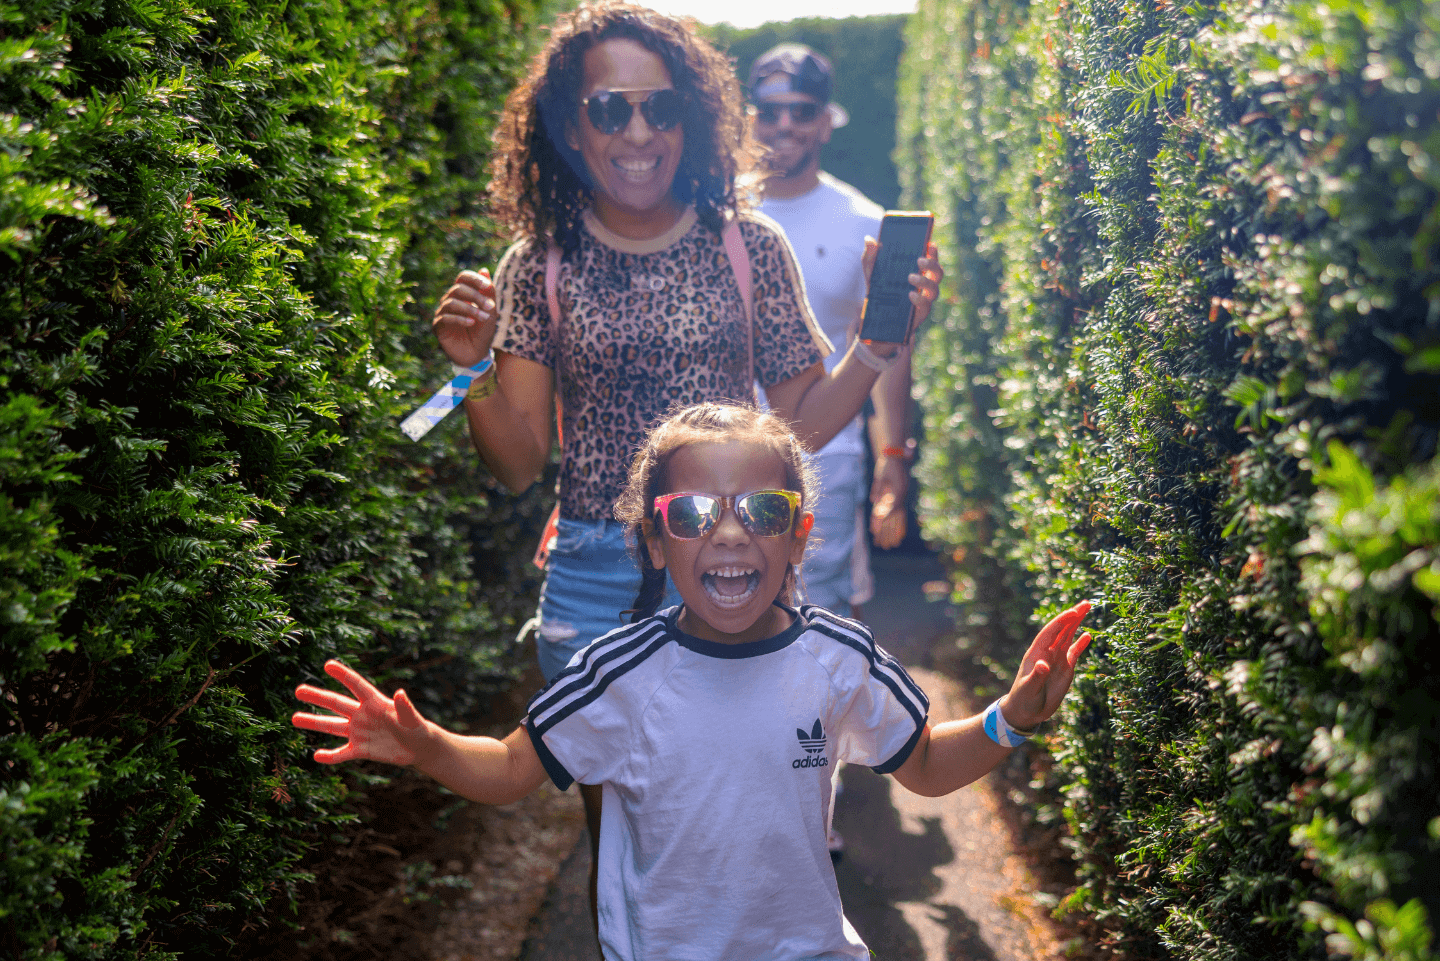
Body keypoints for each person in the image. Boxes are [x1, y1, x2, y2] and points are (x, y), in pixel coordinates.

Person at [425, 0, 942, 919]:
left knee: (750, 831)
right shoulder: (539, 262)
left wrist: (876, 342)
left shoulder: (749, 246)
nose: (637, 131)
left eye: (659, 109)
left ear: (691, 121)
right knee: (622, 849)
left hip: (732, 566)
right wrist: (470, 373)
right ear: (570, 126)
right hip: (593, 579)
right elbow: (517, 462)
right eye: (609, 108)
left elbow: (799, 427)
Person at [292, 401, 1093, 961]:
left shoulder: (838, 657)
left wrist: (1008, 720)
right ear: (654, 539)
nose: (731, 532)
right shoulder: (618, 672)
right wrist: (424, 742)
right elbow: (508, 769)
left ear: (798, 537)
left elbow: (922, 763)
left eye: (764, 511)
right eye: (693, 514)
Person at [749, 42, 915, 622]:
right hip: (719, 457)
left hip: (830, 460)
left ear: (826, 121)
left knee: (822, 624)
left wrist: (892, 457)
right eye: (769, 111)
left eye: (800, 110)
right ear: (750, 120)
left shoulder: (865, 223)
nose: (784, 124)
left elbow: (891, 352)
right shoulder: (713, 218)